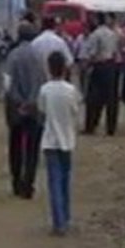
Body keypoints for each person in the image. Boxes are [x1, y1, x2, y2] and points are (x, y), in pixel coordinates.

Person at [2, 17, 47, 198]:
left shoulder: (13, 56)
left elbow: (7, 83)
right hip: (35, 108)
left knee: (15, 146)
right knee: (32, 148)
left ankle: (16, 182)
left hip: (16, 108)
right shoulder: (38, 56)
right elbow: (42, 82)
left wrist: (19, 102)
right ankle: (29, 183)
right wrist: (31, 102)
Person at [38, 50, 81, 236]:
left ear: (49, 68)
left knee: (54, 181)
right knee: (65, 180)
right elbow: (75, 111)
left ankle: (58, 222)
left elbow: (42, 109)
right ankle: (66, 216)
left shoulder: (45, 89)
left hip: (50, 140)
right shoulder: (71, 90)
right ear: (64, 68)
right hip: (67, 139)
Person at [82, 13, 122, 135]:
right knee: (112, 99)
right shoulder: (112, 34)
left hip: (99, 66)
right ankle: (111, 128)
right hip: (111, 66)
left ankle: (91, 125)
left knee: (93, 98)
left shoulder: (95, 35)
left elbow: (92, 53)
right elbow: (116, 52)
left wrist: (86, 65)